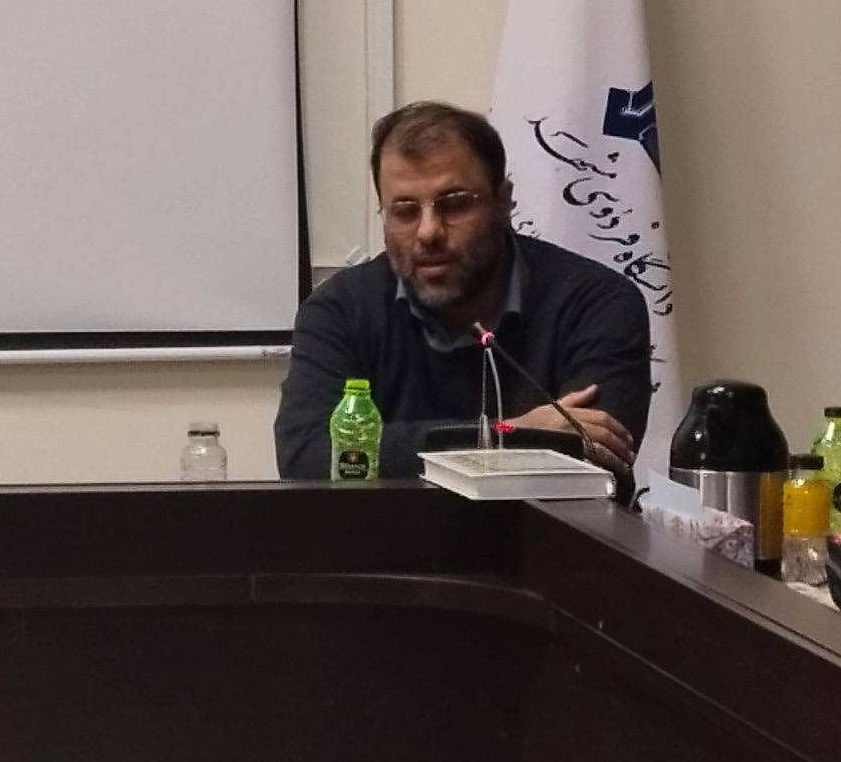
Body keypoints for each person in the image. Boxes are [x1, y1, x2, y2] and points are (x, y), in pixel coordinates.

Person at [275, 103, 652, 481]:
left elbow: (594, 460)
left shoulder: (597, 303)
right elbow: (307, 455)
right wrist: (507, 435)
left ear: (502, 201)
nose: (428, 232)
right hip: (389, 523)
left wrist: (429, 449)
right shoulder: (339, 311)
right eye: (405, 211)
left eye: (454, 205)